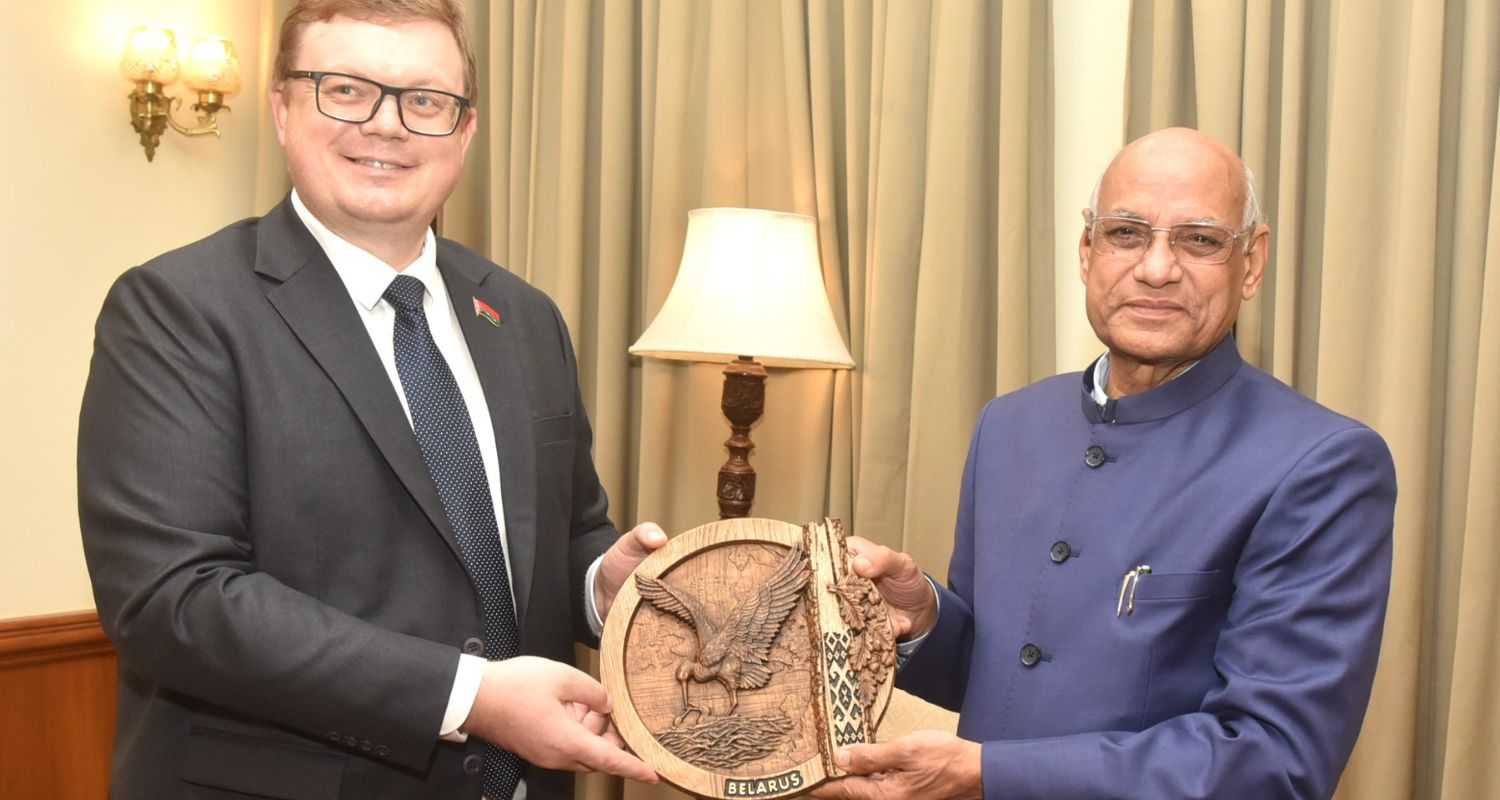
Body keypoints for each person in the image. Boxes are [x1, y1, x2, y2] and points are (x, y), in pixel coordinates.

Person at [77, 2, 664, 797]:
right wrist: (471, 696)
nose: (387, 126)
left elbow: (561, 533)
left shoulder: (523, 316)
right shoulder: (178, 309)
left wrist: (601, 582)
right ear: (282, 110)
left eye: (424, 101)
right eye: (345, 90)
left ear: (465, 131)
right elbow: (173, 599)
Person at [814, 128, 1397, 800]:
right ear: (1087, 251)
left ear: (1253, 262)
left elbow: (1272, 759)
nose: (1156, 269)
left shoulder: (1320, 464)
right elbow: (1006, 675)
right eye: (1126, 233)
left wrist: (988, 774)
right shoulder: (1010, 425)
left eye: (1199, 239)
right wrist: (925, 620)